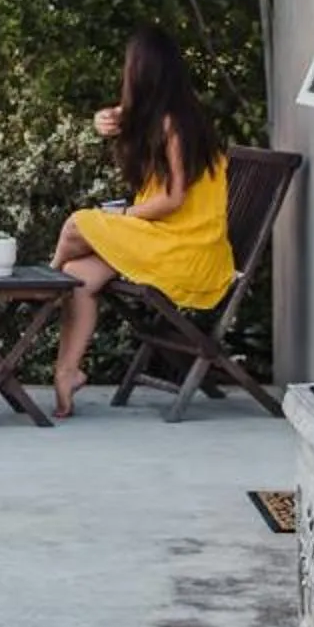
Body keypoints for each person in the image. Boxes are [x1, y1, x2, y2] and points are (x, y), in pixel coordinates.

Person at [49, 26, 233, 417]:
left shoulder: (177, 124)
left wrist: (121, 216)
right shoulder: (159, 119)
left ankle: (41, 290)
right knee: (79, 277)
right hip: (163, 238)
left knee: (77, 224)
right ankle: (67, 372)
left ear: (143, 72)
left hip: (188, 249)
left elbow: (174, 198)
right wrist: (110, 119)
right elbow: (123, 129)